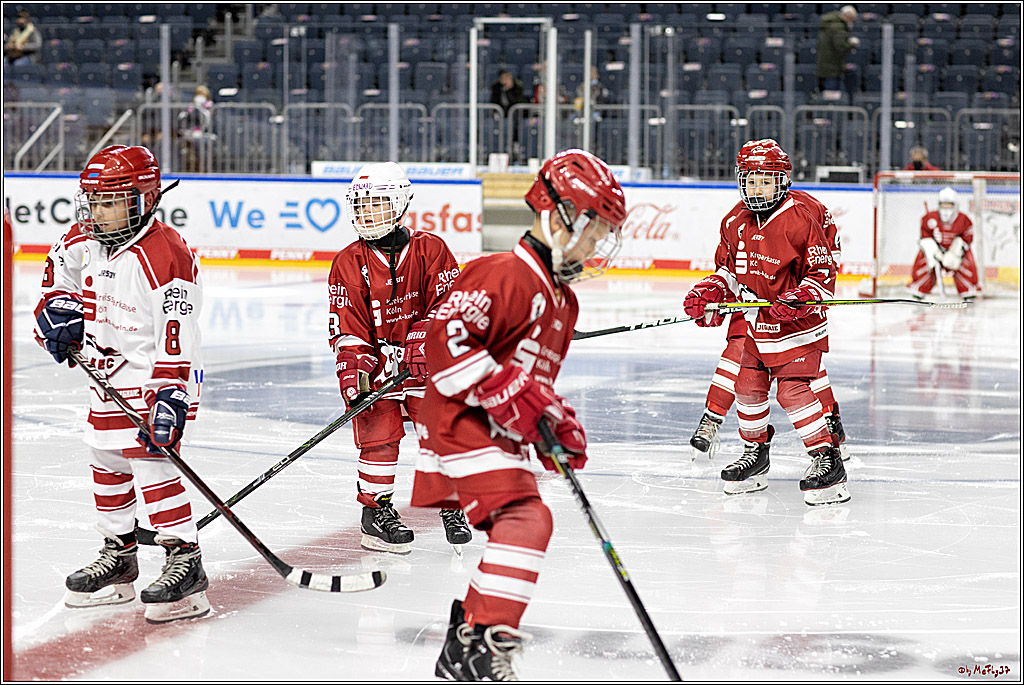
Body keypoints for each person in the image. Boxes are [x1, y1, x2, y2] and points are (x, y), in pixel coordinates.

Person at [413, 149, 626, 681]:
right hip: (457, 418)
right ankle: (482, 647)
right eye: (593, 230)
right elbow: (442, 344)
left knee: (522, 519)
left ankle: (467, 645)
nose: (598, 244)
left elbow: (530, 386)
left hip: (486, 424)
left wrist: (552, 418)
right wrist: (511, 391)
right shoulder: (505, 273)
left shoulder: (563, 301)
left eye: (603, 234)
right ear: (557, 215)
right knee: (528, 518)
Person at [33, 145, 209, 623]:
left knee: (151, 465)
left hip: (157, 377)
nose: (96, 211)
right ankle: (120, 555)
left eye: (110, 201)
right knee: (106, 459)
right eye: (92, 199)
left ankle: (184, 560)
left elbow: (179, 331)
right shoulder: (82, 238)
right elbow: (54, 282)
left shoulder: (167, 252)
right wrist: (54, 311)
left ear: (145, 199)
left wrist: (169, 393)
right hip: (105, 374)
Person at [683, 138, 850, 507]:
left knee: (792, 391)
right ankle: (755, 456)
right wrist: (709, 292)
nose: (757, 188)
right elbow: (728, 272)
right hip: (758, 324)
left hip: (797, 326)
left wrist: (801, 298)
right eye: (751, 180)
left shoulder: (800, 217)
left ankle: (827, 459)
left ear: (782, 180)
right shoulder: (733, 221)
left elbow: (822, 272)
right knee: (747, 385)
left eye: (766, 180)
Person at [329, 161, 472, 555]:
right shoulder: (347, 261)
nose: (366, 213)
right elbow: (348, 325)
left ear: (399, 204)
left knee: (443, 429)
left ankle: (450, 499)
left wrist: (426, 336)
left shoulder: (431, 249)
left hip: (427, 364)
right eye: (361, 205)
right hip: (377, 367)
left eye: (376, 204)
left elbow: (451, 305)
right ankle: (376, 515)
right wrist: (354, 370)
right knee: (379, 437)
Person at [908, 186, 980, 300]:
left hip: (955, 253)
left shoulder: (964, 220)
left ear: (955, 205)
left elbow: (967, 239)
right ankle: (919, 288)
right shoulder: (930, 218)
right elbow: (925, 237)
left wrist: (956, 252)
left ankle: (968, 289)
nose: (946, 208)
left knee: (966, 260)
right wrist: (932, 251)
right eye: (943, 204)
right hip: (937, 251)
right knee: (924, 258)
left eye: (949, 205)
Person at [816, 5, 859, 92]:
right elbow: (840, 46)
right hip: (833, 65)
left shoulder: (830, 24)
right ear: (848, 17)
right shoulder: (839, 27)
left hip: (826, 62)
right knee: (833, 90)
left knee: (831, 88)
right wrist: (852, 44)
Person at [176, 85, 214, 173]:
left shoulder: (210, 106)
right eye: (198, 94)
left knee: (200, 145)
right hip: (190, 133)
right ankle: (180, 169)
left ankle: (204, 169)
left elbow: (207, 123)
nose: (200, 96)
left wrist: (201, 109)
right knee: (178, 144)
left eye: (202, 94)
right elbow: (185, 120)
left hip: (204, 134)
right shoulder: (190, 107)